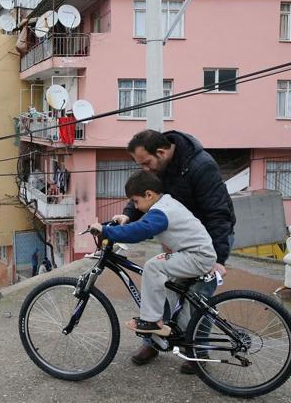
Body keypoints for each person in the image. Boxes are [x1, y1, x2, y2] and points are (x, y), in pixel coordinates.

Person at [116, 130, 235, 373]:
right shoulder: (157, 168)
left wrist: (218, 258)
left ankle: (197, 354)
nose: (145, 169)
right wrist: (128, 214)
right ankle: (154, 342)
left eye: (146, 163)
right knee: (163, 287)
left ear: (160, 153)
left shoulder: (201, 166)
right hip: (178, 239)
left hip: (206, 241)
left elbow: (218, 214)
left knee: (198, 299)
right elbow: (144, 190)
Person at [90, 170, 216, 336]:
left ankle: (151, 321)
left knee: (154, 267)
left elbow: (141, 231)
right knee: (169, 290)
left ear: (148, 194)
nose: (135, 207)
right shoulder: (164, 204)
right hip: (193, 253)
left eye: (135, 201)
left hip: (197, 257)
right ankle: (182, 333)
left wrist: (105, 231)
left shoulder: (161, 212)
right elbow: (143, 227)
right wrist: (117, 224)